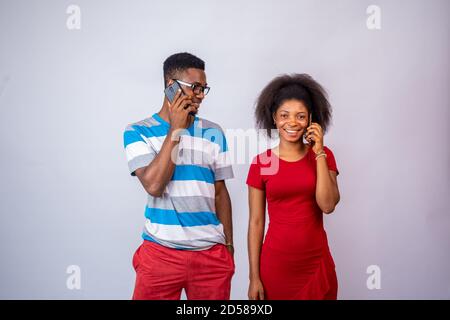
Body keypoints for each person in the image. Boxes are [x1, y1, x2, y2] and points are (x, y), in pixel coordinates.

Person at [123, 52, 235, 300]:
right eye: (194, 87)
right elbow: (154, 184)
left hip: (210, 256)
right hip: (160, 253)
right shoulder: (137, 132)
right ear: (170, 87)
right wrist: (176, 129)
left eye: (204, 89)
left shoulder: (214, 132)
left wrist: (228, 247)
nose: (200, 95)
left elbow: (220, 192)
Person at [246, 74, 340, 300]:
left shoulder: (324, 156)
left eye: (300, 116)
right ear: (274, 118)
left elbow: (327, 205)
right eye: (284, 115)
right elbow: (256, 222)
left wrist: (318, 151)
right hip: (276, 267)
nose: (292, 122)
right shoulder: (263, 163)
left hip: (315, 264)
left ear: (310, 120)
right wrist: (253, 277)